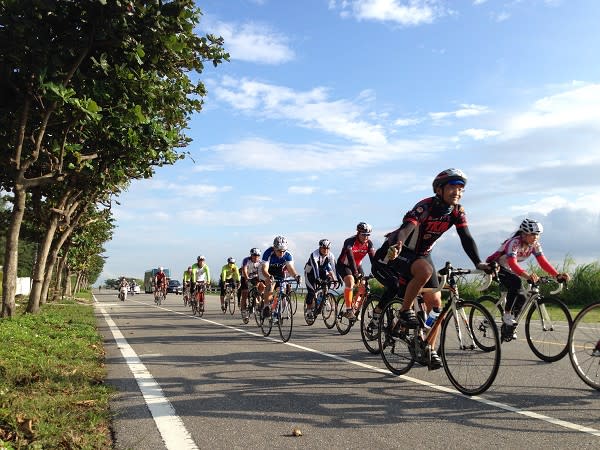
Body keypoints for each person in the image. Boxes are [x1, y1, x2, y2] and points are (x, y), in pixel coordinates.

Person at [372, 168, 491, 370]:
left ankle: (428, 348)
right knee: (424, 271)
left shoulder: (456, 212)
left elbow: (466, 238)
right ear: (439, 189)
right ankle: (404, 311)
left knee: (436, 303)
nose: (457, 192)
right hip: (400, 249)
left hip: (423, 253)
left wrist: (479, 263)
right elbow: (407, 228)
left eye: (461, 188)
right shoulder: (425, 206)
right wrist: (398, 244)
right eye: (453, 187)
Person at [486, 218, 570, 327]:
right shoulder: (514, 242)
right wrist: (527, 276)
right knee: (516, 282)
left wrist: (557, 275)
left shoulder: (534, 245)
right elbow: (512, 263)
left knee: (522, 298)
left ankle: (509, 327)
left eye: (537, 234)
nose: (536, 237)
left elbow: (543, 262)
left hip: (509, 269)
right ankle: (506, 315)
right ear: (524, 234)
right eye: (533, 234)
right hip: (495, 266)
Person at [336, 222, 376, 320]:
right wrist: (355, 273)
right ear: (358, 233)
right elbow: (350, 257)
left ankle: (355, 306)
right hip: (344, 265)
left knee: (363, 285)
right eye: (364, 234)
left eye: (368, 235)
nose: (366, 237)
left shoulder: (369, 243)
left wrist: (377, 271)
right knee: (350, 281)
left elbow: (373, 259)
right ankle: (349, 310)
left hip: (358, 266)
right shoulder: (349, 241)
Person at [260, 236, 301, 323]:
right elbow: (264, 269)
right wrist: (269, 276)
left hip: (279, 272)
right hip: (268, 271)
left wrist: (296, 276)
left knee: (280, 292)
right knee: (270, 286)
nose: (282, 253)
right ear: (274, 248)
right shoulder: (268, 253)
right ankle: (266, 306)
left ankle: (275, 312)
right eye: (279, 251)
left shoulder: (288, 255)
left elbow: (290, 268)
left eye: (283, 251)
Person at [304, 239, 338, 318]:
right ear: (320, 248)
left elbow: (333, 268)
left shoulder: (330, 255)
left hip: (321, 272)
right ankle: (309, 310)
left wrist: (336, 279)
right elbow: (315, 267)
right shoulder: (314, 255)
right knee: (311, 291)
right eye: (324, 248)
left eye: (328, 248)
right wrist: (318, 278)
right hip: (310, 273)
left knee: (328, 280)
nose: (326, 250)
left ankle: (322, 297)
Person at [240, 248, 264, 320]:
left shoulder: (260, 262)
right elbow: (244, 269)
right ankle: (244, 312)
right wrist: (247, 278)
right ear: (251, 255)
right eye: (254, 255)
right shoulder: (246, 260)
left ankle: (258, 302)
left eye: (258, 255)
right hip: (245, 277)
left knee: (261, 286)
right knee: (244, 294)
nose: (256, 257)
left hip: (255, 278)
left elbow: (262, 272)